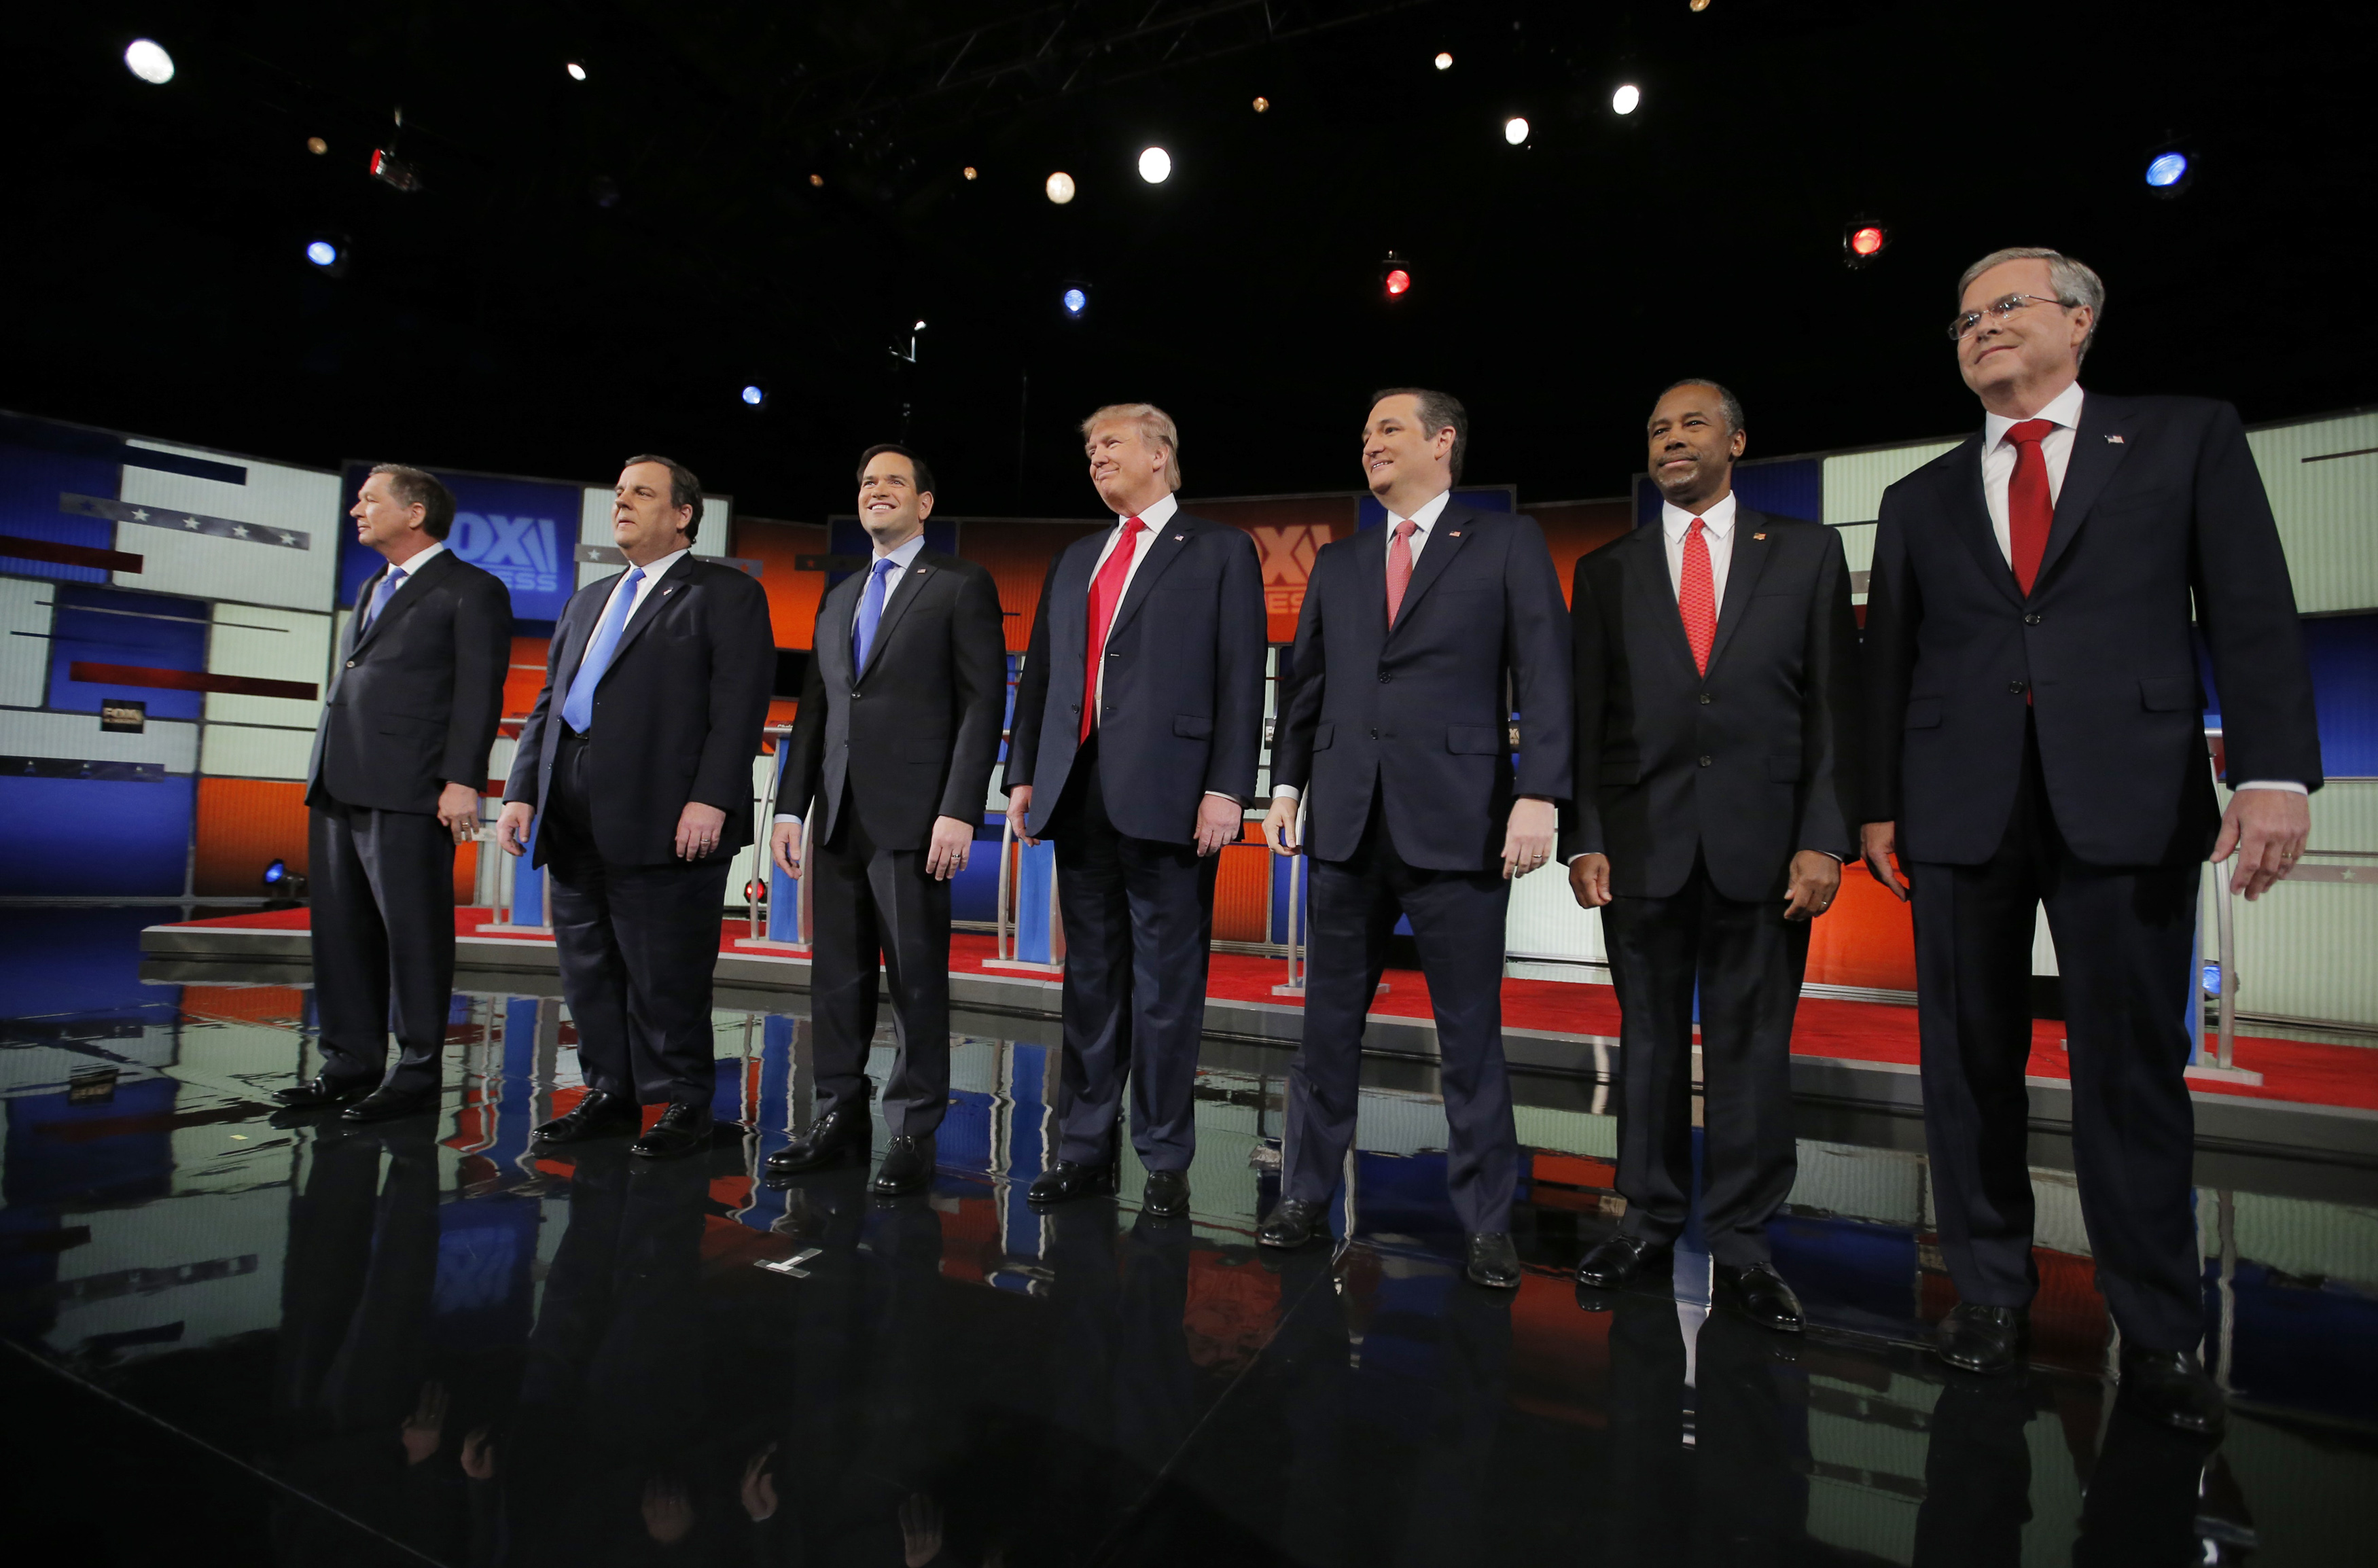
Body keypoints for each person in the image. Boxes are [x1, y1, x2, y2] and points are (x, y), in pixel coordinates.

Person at [1862, 247, 2322, 1433]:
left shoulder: (2182, 437)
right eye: (1963, 317)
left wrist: (2271, 769)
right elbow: (1890, 668)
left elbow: (2251, 606)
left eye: (2005, 306)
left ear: (2082, 318)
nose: (1979, 328)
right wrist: (1874, 802)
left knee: (2130, 1069)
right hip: (1959, 808)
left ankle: (2160, 1323)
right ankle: (1990, 1291)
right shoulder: (1918, 497)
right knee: (1966, 1067)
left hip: (2126, 792)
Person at [1564, 381, 1862, 1332]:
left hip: (1765, 851)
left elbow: (1832, 713)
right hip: (1641, 846)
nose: (1672, 440)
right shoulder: (1609, 570)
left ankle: (1743, 1243)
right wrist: (1587, 836)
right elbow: (1587, 720)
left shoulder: (1808, 553)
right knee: (1647, 1042)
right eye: (1656, 429)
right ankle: (1646, 1218)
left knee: (1750, 1051)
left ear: (1737, 439)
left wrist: (1823, 836)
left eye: (1692, 424)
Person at [1260, 388, 1572, 1289]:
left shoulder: (1507, 543)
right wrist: (1286, 786)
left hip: (1462, 819)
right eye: (1364, 435)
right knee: (1325, 1032)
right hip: (1347, 825)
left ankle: (1485, 1225)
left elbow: (1544, 675)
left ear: (1444, 443)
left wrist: (1540, 792)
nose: (1371, 446)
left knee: (1469, 1036)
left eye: (1388, 430)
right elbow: (1306, 682)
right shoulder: (1341, 562)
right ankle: (1304, 1196)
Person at [1002, 403, 1266, 1217]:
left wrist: (1227, 788)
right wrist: (1022, 775)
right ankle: (1081, 1147)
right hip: (1076, 790)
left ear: (1160, 453)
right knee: (1089, 982)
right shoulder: (1077, 556)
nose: (1095, 457)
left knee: (1164, 988)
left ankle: (1163, 1157)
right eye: (1087, 448)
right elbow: (1043, 673)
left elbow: (1239, 672)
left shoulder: (1218, 549)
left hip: (1172, 797)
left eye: (1109, 443)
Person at [497, 455, 775, 1160]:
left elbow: (737, 706)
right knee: (587, 963)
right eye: (619, 493)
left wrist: (711, 797)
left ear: (682, 514)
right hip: (571, 811)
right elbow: (547, 705)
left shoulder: (722, 594)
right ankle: (609, 1094)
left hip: (668, 814)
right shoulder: (586, 600)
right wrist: (523, 789)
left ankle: (684, 1100)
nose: (621, 503)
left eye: (641, 494)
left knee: (666, 968)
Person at [762, 445, 1007, 1194]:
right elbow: (814, 711)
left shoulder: (961, 584)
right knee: (834, 981)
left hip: (913, 817)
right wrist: (787, 806)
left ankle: (913, 1131)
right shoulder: (839, 598)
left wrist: (959, 809)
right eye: (866, 481)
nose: (876, 491)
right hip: (835, 814)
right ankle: (840, 1118)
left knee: (915, 982)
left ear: (924, 504)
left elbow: (980, 703)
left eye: (893, 482)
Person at [282, 464, 510, 1122]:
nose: (356, 509)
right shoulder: (373, 584)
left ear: (414, 513)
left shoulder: (472, 589)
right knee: (342, 933)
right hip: (338, 780)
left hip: (410, 787)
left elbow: (478, 692)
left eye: (369, 499)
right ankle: (349, 1062)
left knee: (413, 933)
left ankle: (415, 1071)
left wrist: (462, 779)